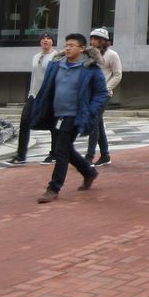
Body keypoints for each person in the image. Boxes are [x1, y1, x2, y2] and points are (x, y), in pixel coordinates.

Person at [30, 33, 109, 203]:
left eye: (72, 45)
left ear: (82, 48)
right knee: (66, 148)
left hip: (74, 115)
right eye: (66, 45)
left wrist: (91, 111)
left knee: (61, 150)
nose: (67, 48)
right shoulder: (56, 65)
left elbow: (101, 93)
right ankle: (89, 172)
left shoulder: (90, 69)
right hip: (56, 114)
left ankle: (53, 188)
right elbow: (47, 88)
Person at [4, 32, 56, 166]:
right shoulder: (35, 57)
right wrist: (30, 93)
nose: (45, 40)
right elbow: (34, 77)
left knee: (52, 125)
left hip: (48, 95)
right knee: (24, 123)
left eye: (48, 38)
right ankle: (21, 156)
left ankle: (54, 154)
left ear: (52, 41)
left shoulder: (56, 57)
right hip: (33, 95)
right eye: (43, 38)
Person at [85, 27, 122, 166]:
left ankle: (89, 156)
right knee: (98, 123)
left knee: (93, 121)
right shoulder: (89, 54)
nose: (93, 41)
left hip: (103, 94)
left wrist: (106, 88)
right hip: (90, 93)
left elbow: (118, 74)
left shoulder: (112, 55)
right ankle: (105, 155)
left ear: (104, 41)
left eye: (96, 39)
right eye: (92, 38)